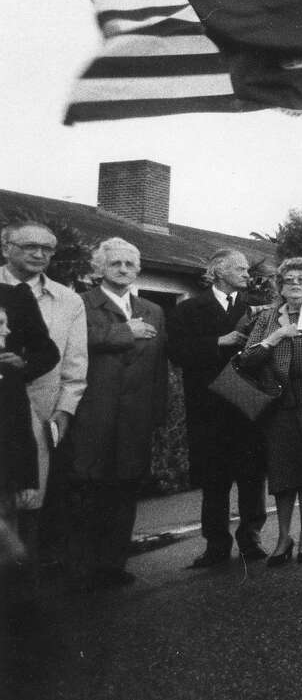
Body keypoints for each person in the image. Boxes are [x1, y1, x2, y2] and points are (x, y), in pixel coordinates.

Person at [67, 238, 168, 590]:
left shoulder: (153, 309)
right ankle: (83, 569)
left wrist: (158, 414)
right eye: (115, 264)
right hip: (94, 415)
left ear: (138, 269)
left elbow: (159, 368)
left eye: (129, 264)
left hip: (135, 419)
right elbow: (75, 341)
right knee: (89, 491)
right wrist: (125, 331)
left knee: (125, 489)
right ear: (100, 268)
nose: (123, 270)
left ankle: (114, 565)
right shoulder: (81, 304)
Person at [167, 249, 268, 568]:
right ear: (218, 271)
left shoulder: (255, 309)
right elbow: (176, 351)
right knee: (214, 478)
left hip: (246, 403)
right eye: (239, 268)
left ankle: (251, 538)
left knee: (252, 475)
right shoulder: (189, 309)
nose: (246, 274)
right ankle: (216, 544)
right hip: (208, 406)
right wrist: (218, 342)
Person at [0, 222, 87, 585]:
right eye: (30, 246)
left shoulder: (69, 299)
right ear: (6, 248)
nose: (39, 255)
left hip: (43, 413)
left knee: (29, 501)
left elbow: (74, 362)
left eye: (48, 249)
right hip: (6, 409)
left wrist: (65, 410)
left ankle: (23, 586)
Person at [237, 258, 302, 568]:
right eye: (289, 280)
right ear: (279, 287)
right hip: (278, 403)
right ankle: (283, 538)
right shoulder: (268, 317)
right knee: (282, 474)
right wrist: (277, 336)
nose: (295, 284)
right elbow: (246, 359)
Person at [0, 282, 60, 618]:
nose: (8, 332)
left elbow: (18, 430)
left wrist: (20, 364)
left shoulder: (11, 295)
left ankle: (18, 603)